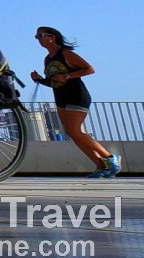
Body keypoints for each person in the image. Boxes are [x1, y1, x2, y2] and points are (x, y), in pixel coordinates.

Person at [32, 27, 121, 178]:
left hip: (76, 96)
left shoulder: (66, 54)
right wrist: (39, 79)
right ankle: (101, 166)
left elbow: (89, 69)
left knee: (74, 131)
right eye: (36, 36)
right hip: (61, 98)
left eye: (40, 35)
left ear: (51, 37)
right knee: (71, 133)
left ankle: (110, 158)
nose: (38, 39)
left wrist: (67, 76)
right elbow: (55, 81)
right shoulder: (47, 59)